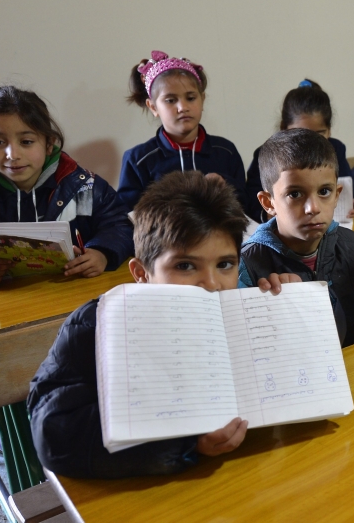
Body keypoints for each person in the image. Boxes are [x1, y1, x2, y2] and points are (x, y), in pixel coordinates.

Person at [28, 172, 297, 479]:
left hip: (244, 474)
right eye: (185, 265)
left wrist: (287, 313)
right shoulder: (97, 325)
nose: (212, 284)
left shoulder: (242, 313)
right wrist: (187, 442)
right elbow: (54, 435)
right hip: (150, 487)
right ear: (141, 273)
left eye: (225, 264)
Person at [0, 85, 133, 288]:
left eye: (26, 142)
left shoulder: (85, 187)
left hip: (73, 295)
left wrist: (102, 253)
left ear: (49, 143)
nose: (13, 154)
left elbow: (120, 225)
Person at [239, 128, 354, 345]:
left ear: (337, 195)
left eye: (324, 191)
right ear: (268, 203)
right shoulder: (248, 265)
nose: (313, 208)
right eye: (295, 194)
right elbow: (247, 345)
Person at [117, 50, 251, 214]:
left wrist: (224, 183)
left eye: (191, 98)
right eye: (171, 100)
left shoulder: (225, 151)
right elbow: (128, 215)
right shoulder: (138, 159)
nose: (183, 107)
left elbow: (245, 204)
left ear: (202, 99)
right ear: (153, 107)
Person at [244, 80, 354, 221]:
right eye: (300, 133)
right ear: (284, 127)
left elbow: (345, 188)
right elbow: (251, 203)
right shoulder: (267, 155)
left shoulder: (336, 149)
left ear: (329, 130)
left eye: (319, 133)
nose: (310, 142)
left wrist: (350, 202)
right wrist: (271, 214)